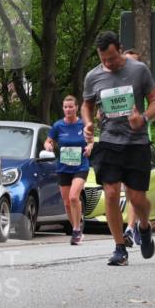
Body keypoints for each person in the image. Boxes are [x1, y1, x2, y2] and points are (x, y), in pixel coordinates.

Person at [82, 31, 155, 266]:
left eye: (112, 58)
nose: (108, 63)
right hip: (108, 141)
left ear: (120, 49)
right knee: (112, 192)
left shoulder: (138, 70)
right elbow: (86, 104)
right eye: (103, 59)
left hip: (136, 143)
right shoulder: (93, 76)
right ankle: (119, 247)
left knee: (137, 199)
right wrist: (87, 122)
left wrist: (144, 118)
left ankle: (144, 227)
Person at [45, 95, 91, 245]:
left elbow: (91, 140)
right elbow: (48, 140)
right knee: (66, 203)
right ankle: (76, 227)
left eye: (71, 106)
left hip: (81, 166)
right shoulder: (58, 126)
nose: (68, 109)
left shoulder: (83, 123)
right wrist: (49, 145)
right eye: (65, 107)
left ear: (77, 107)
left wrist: (90, 146)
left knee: (73, 197)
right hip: (63, 167)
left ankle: (76, 230)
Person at [120, 49, 143, 248]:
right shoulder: (114, 87)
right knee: (128, 191)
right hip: (118, 144)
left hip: (139, 143)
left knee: (135, 191)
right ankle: (131, 227)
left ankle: (135, 226)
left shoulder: (141, 87)